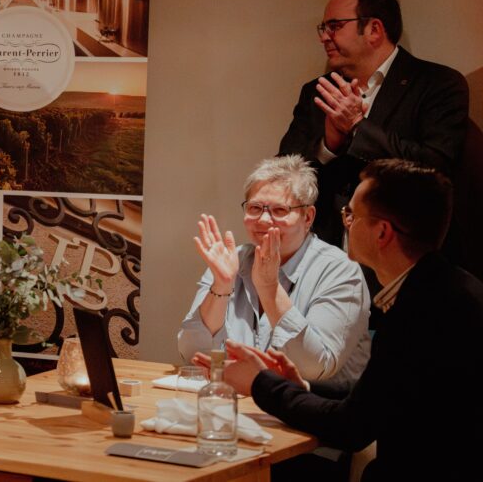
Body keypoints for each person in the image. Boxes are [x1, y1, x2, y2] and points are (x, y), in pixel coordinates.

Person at [207, 160, 483, 481]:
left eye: (351, 215)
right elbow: (379, 395)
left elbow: (353, 427)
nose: (346, 224)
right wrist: (301, 389)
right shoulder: (441, 289)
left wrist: (261, 383)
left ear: (382, 232)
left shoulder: (428, 310)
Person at [278, 0, 469, 255]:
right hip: (326, 254)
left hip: (405, 254)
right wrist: (328, 146)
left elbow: (434, 168)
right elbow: (284, 173)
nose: (323, 36)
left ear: (374, 29)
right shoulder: (317, 91)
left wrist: (358, 127)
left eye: (334, 26)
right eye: (323, 27)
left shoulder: (438, 83)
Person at [178, 155, 370, 386]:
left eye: (279, 210)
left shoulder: (339, 270)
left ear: (307, 217)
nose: (264, 219)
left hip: (319, 409)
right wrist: (221, 285)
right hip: (242, 401)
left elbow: (314, 367)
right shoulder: (232, 260)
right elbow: (193, 354)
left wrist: (269, 289)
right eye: (255, 208)